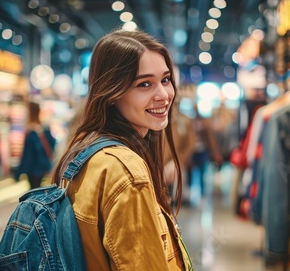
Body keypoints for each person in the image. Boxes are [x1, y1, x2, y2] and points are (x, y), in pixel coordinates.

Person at [51, 29, 193, 270]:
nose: (164, 95)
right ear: (112, 92)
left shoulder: (86, 149)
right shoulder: (125, 171)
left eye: (165, 80)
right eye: (144, 84)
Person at [14, 101, 56, 189]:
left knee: (34, 189)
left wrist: (19, 171)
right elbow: (52, 144)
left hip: (33, 168)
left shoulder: (32, 132)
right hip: (41, 166)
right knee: (36, 188)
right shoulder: (44, 128)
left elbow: (27, 154)